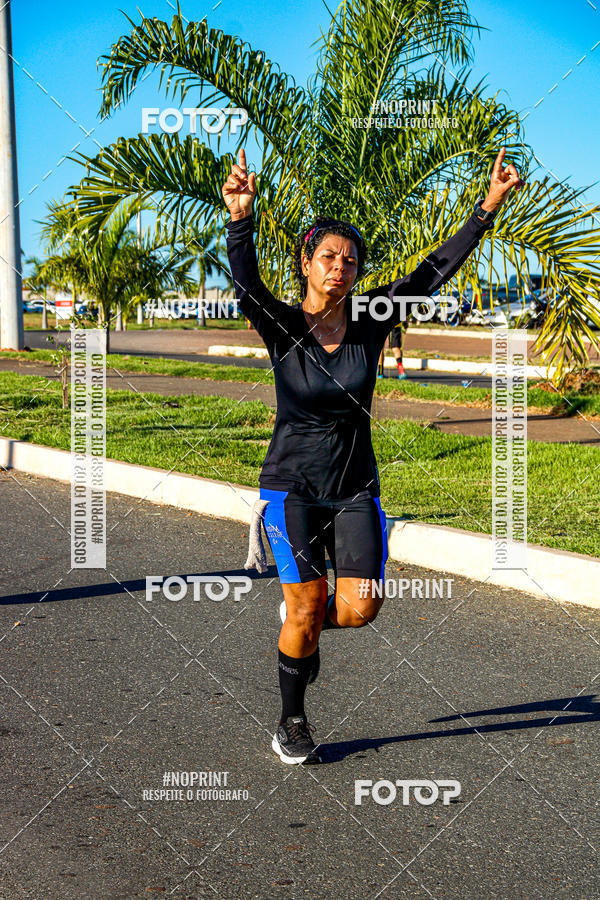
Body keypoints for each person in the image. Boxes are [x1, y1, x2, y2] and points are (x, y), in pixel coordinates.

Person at [223, 147, 523, 764]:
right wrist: (240, 219)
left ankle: (298, 627)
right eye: (328, 255)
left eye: (350, 259)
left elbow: (430, 274)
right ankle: (292, 718)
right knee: (307, 606)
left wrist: (488, 205)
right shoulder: (282, 326)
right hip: (292, 487)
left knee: (360, 609)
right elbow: (246, 284)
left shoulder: (370, 322)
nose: (341, 265)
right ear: (306, 264)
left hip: (356, 487)